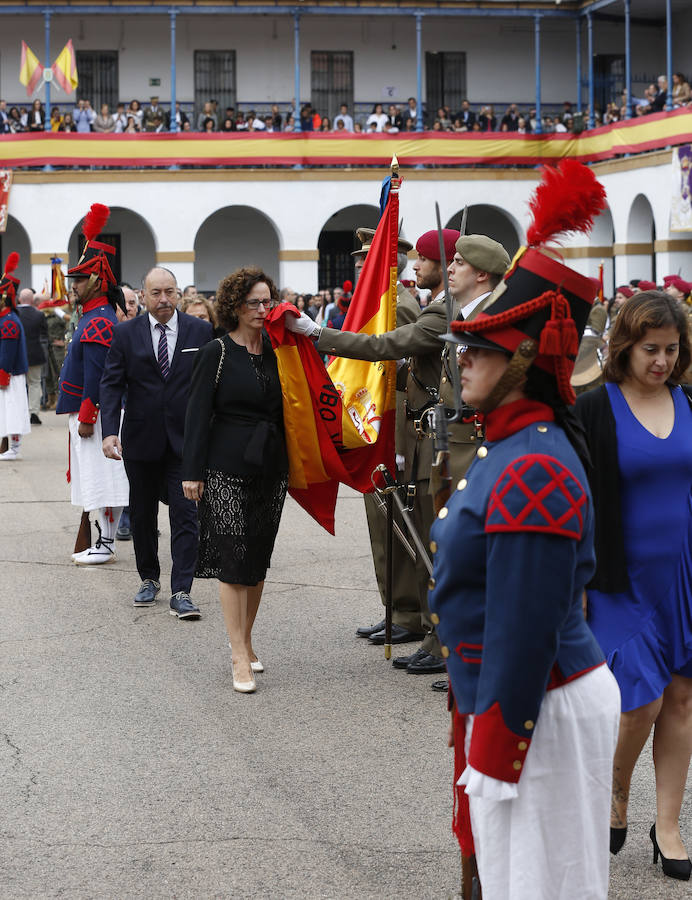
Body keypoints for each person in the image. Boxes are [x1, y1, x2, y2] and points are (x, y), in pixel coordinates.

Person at [429, 160, 620, 900]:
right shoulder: (511, 445)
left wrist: (497, 742)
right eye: (467, 345)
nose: (466, 357)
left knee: (542, 888)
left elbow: (525, 624)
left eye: (483, 347)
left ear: (526, 361)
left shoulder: (533, 465)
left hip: (536, 705)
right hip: (518, 698)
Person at [287, 231, 509, 677]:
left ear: (481, 274)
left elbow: (387, 346)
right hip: (444, 445)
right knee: (438, 546)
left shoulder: (480, 317)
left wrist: (317, 333)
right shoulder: (458, 313)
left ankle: (451, 641)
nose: (450, 268)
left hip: (468, 449)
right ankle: (439, 635)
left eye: (459, 263)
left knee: (455, 552)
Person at [575, 291, 692, 880]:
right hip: (619, 578)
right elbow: (582, 497)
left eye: (672, 350)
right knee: (637, 702)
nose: (662, 361)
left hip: (684, 572)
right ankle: (615, 790)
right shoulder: (597, 405)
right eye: (651, 349)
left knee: (681, 698)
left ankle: (668, 826)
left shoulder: (688, 401)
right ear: (626, 345)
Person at [181, 267, 288, 693]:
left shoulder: (281, 351)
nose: (263, 310)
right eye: (254, 303)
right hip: (224, 464)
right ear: (235, 307)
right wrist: (191, 472)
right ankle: (237, 654)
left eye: (267, 301)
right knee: (233, 555)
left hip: (270, 465)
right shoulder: (217, 352)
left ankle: (246, 639)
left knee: (257, 559)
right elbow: (196, 415)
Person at [100, 267, 213, 616]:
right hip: (141, 439)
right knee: (143, 516)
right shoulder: (125, 334)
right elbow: (111, 384)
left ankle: (182, 589)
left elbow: (210, 386)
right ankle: (149, 578)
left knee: (184, 515)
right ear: (144, 295)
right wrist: (109, 430)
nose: (163, 299)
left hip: (185, 443)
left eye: (169, 292)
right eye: (156, 293)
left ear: (178, 293)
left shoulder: (201, 330)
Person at [55, 205, 130, 562]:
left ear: (98, 280)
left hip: (97, 413)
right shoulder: (93, 316)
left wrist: (88, 412)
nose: (74, 286)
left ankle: (106, 542)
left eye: (79, 280)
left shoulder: (99, 320)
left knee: (103, 478)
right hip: (91, 411)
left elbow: (101, 375)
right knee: (94, 478)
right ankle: (103, 539)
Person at [0, 253, 30, 461]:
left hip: (9, 373)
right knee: (7, 411)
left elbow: (7, 353)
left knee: (12, 411)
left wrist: (3, 373)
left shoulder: (9, 321)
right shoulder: (8, 318)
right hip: (8, 373)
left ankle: (14, 447)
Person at [15, 287, 47, 425]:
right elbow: (45, 334)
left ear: (19, 299)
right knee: (34, 383)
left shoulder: (13, 313)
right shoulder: (39, 314)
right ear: (32, 300)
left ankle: (19, 413)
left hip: (17, 354)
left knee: (19, 384)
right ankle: (33, 412)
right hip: (35, 353)